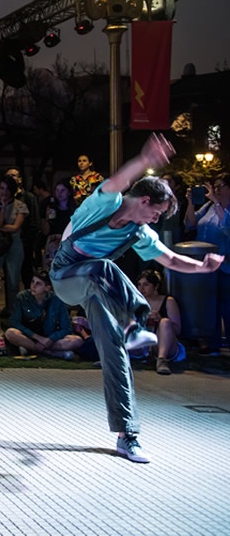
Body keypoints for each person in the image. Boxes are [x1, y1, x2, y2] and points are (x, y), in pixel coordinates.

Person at [49, 134, 223, 464]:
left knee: (115, 351)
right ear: (143, 201)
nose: (155, 221)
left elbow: (170, 259)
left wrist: (202, 267)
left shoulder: (138, 232)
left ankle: (127, 435)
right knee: (101, 266)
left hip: (98, 289)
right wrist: (146, 159)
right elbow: (121, 179)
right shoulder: (107, 203)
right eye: (155, 213)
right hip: (65, 276)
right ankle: (133, 324)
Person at [183, 172, 230, 356]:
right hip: (205, 263)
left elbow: (226, 227)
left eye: (220, 186)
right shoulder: (209, 206)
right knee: (211, 304)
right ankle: (213, 343)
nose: (216, 190)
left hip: (225, 263)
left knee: (226, 304)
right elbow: (191, 223)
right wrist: (190, 203)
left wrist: (217, 203)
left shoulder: (220, 207)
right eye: (215, 186)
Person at [4, 270, 82, 359]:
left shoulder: (57, 300)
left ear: (47, 288)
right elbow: (14, 322)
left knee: (77, 341)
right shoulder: (22, 297)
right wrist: (37, 337)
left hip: (50, 339)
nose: (33, 286)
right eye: (33, 282)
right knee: (10, 333)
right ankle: (50, 353)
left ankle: (34, 350)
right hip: (30, 337)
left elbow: (67, 328)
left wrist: (50, 339)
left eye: (38, 284)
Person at [134, 269, 183, 375]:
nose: (141, 288)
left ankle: (161, 360)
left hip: (164, 343)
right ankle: (112, 357)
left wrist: (160, 319)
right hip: (144, 344)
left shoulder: (168, 301)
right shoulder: (137, 301)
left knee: (165, 322)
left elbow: (177, 330)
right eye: (139, 284)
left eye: (146, 285)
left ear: (155, 286)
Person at [0, 174, 28, 317]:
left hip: (14, 243)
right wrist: (2, 209)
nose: (4, 192)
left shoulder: (20, 205)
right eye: (2, 188)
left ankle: (12, 311)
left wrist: (0, 227)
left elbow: (15, 227)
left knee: (13, 280)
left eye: (7, 189)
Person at [41, 179, 76, 268]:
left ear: (69, 192)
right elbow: (45, 231)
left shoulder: (75, 209)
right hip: (53, 241)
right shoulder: (52, 207)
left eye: (62, 190)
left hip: (68, 241)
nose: (59, 193)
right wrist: (47, 218)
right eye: (57, 190)